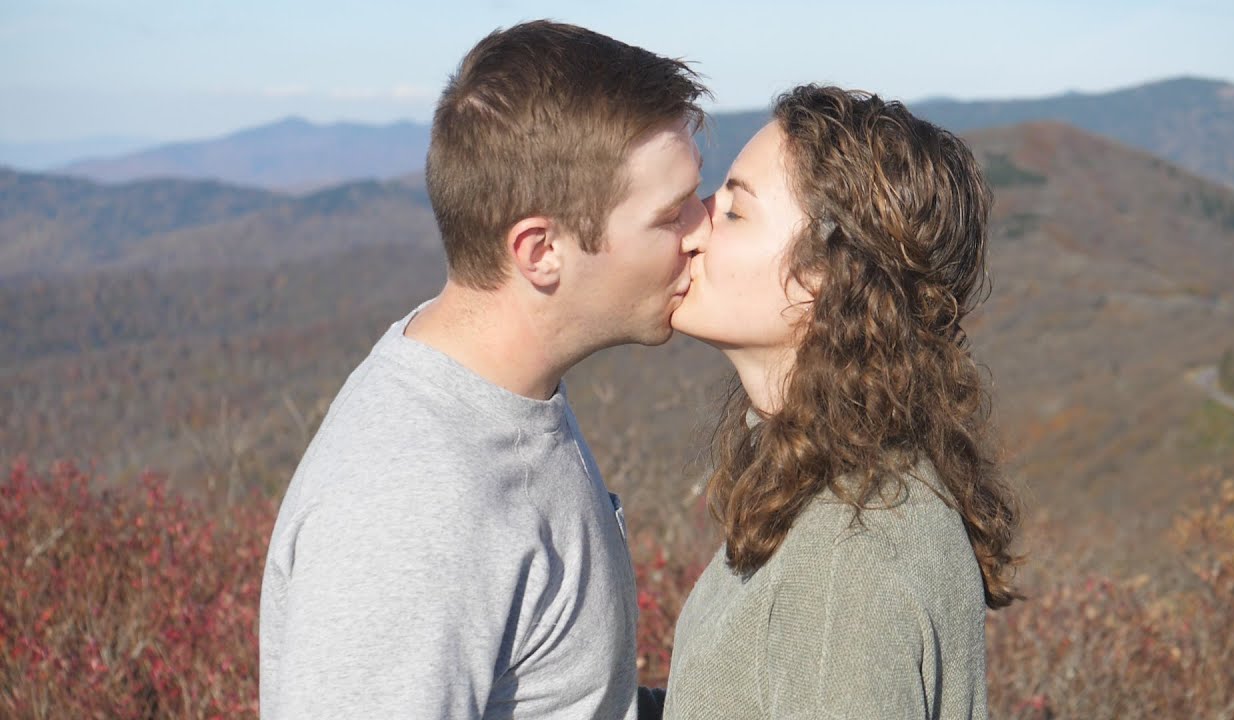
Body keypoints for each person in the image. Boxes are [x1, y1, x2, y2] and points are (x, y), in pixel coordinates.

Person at [258, 21, 709, 719]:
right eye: (672, 214)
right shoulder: (410, 509)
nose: (703, 229)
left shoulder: (505, 401)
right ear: (541, 252)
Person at [663, 85, 1021, 718]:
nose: (696, 223)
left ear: (827, 278)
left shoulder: (845, 558)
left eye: (736, 210)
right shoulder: (844, 485)